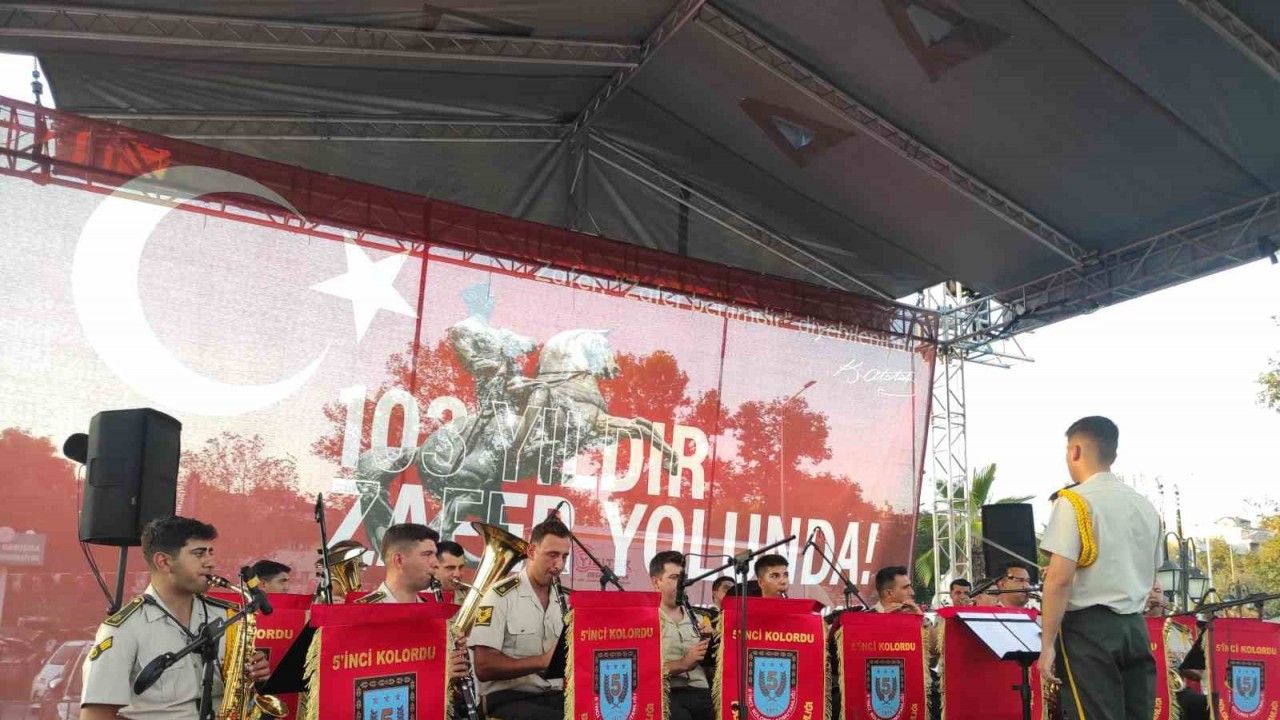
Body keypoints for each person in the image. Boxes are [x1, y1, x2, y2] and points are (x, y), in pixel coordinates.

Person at [79, 516, 270, 720]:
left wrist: (254, 674)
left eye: (210, 552)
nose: (210, 563)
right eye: (199, 554)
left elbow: (239, 693)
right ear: (164, 562)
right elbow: (94, 716)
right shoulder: (123, 629)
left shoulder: (227, 616)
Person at [1038, 416, 1161, 720]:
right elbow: (1152, 573)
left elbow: (1059, 579)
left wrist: (1047, 644)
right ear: (1113, 454)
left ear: (1075, 451)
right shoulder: (1145, 506)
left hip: (1090, 630)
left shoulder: (1074, 501)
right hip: (1135, 628)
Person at [469, 519, 572, 720]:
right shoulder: (499, 596)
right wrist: (543, 661)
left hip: (552, 697)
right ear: (531, 551)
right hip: (507, 699)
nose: (559, 565)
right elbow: (483, 666)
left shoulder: (564, 600)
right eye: (552, 555)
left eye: (564, 556)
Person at [651, 551, 713, 720]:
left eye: (682, 578)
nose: (681, 584)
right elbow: (644, 669)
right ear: (656, 582)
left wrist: (712, 645)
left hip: (702, 692)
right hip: (668, 692)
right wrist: (683, 663)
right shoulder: (646, 621)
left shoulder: (700, 618)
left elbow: (713, 667)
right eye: (673, 578)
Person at [354, 523, 439, 604]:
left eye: (435, 555)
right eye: (427, 554)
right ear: (399, 560)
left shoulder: (434, 608)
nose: (436, 564)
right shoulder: (362, 610)